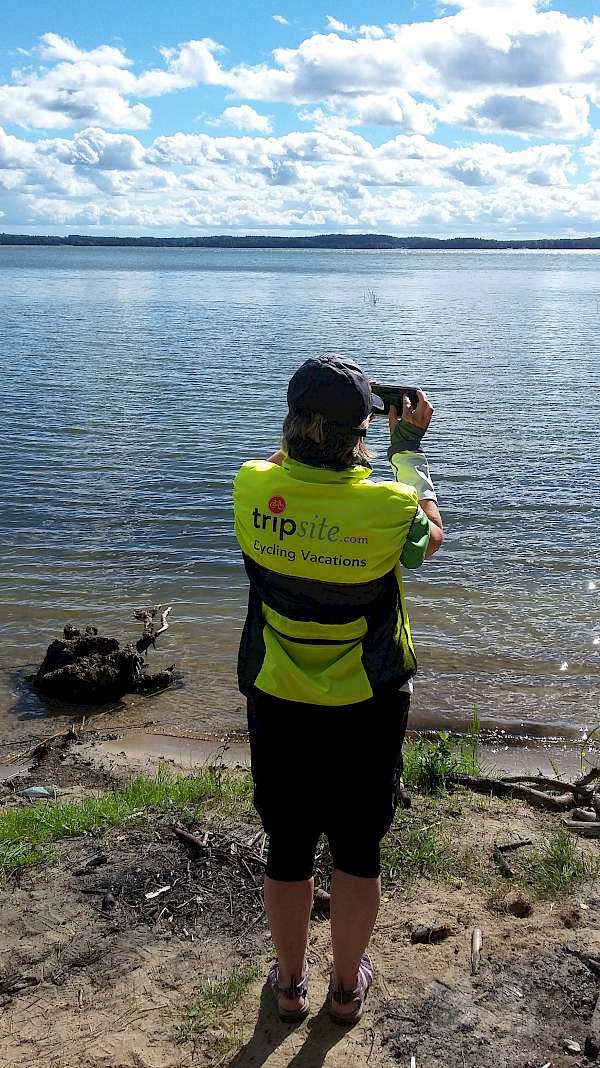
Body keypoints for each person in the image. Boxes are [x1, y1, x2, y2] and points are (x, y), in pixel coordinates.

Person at [233, 353, 443, 1025]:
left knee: (288, 847)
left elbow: (281, 463)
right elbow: (430, 538)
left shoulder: (251, 487)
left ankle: (290, 985)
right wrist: (406, 449)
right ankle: (346, 990)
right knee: (358, 849)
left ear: (291, 424)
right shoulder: (387, 506)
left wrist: (330, 422)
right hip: (367, 703)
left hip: (279, 695)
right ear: (362, 433)